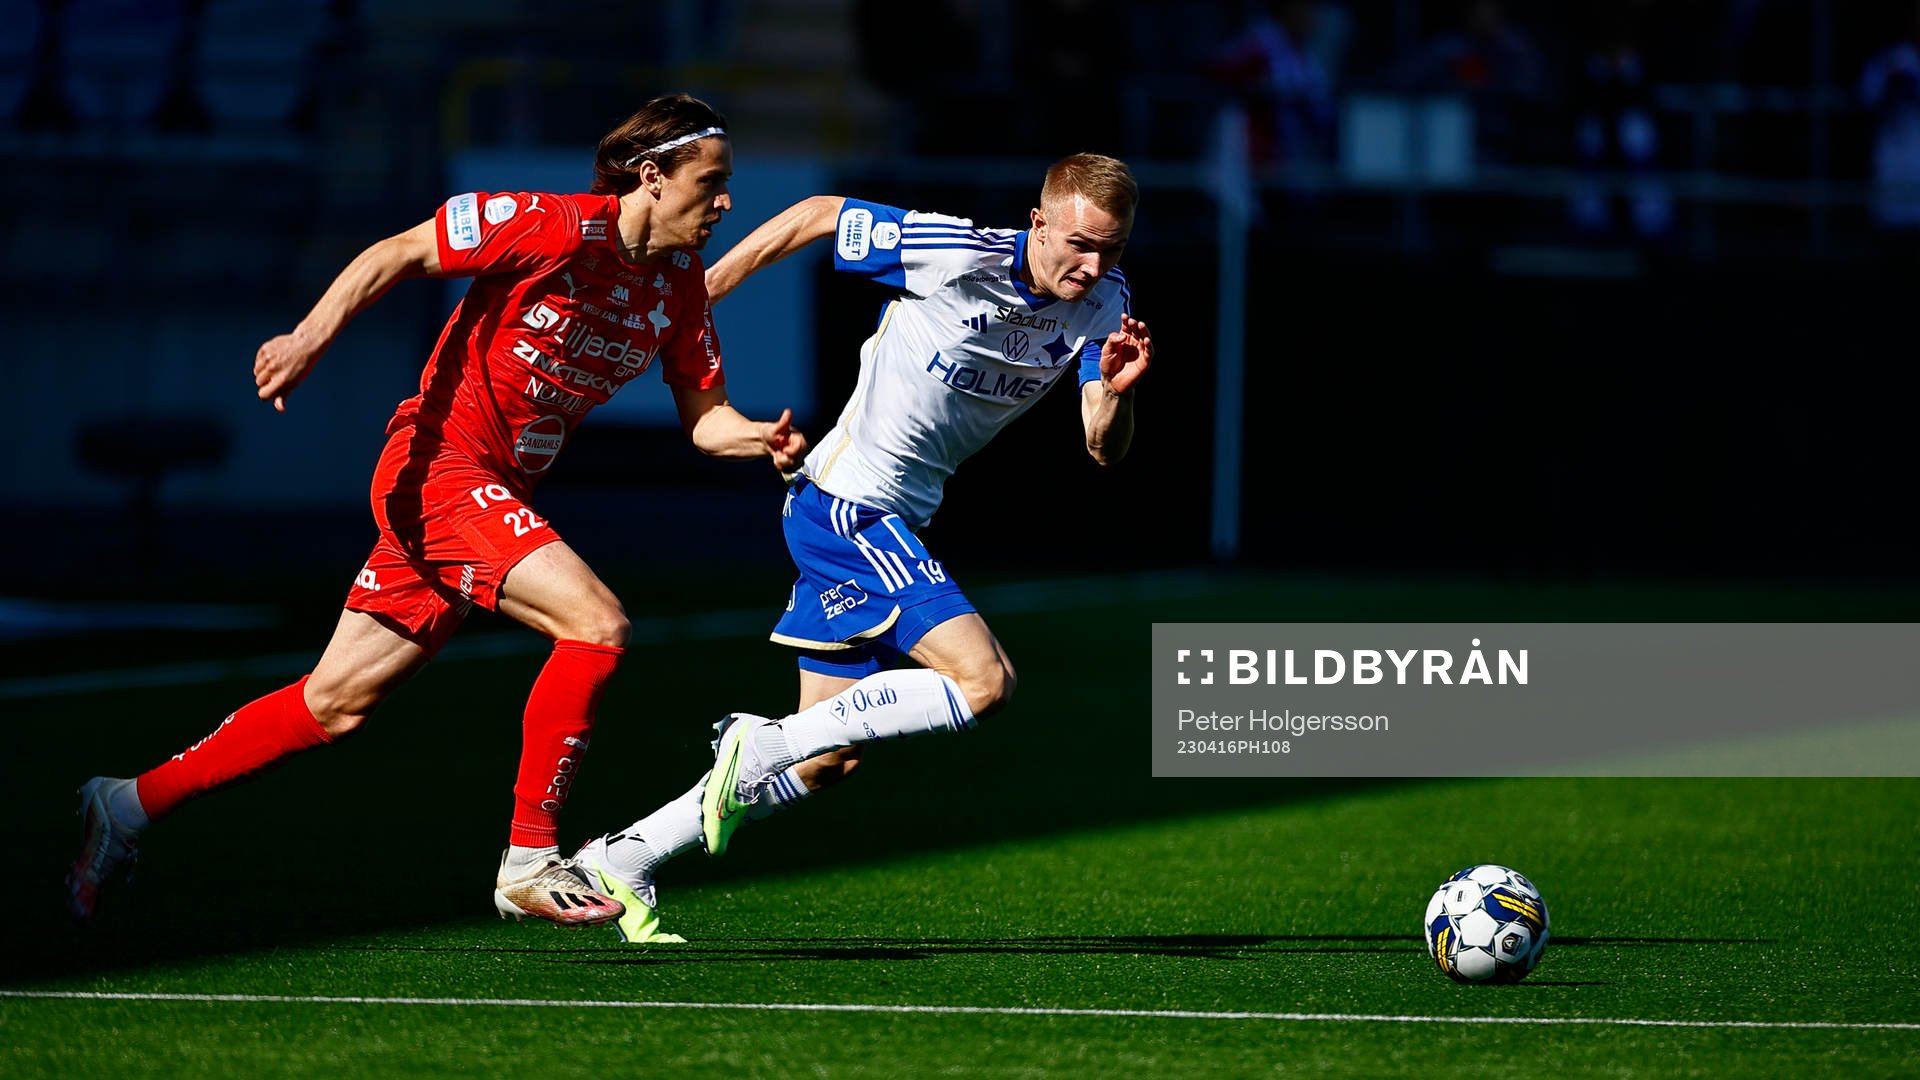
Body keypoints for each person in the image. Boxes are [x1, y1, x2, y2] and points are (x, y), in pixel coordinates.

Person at [65, 92, 808, 930]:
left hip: (493, 495)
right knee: (596, 625)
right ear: (651, 177)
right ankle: (529, 860)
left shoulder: (678, 289)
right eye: (711, 182)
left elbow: (706, 419)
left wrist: (758, 438)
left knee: (334, 704)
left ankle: (124, 804)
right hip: (437, 469)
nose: (726, 201)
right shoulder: (552, 224)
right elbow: (400, 251)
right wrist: (309, 336)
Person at [571, 152, 1153, 944]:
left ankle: (627, 855)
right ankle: (761, 743)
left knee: (827, 761)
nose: (1092, 265)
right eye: (1079, 244)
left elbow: (1101, 445)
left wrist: (1114, 394)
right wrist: (698, 294)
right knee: (984, 682)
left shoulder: (1107, 301)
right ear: (1038, 223)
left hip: (884, 517)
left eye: (1111, 249)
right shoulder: (958, 253)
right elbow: (819, 213)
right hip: (850, 507)